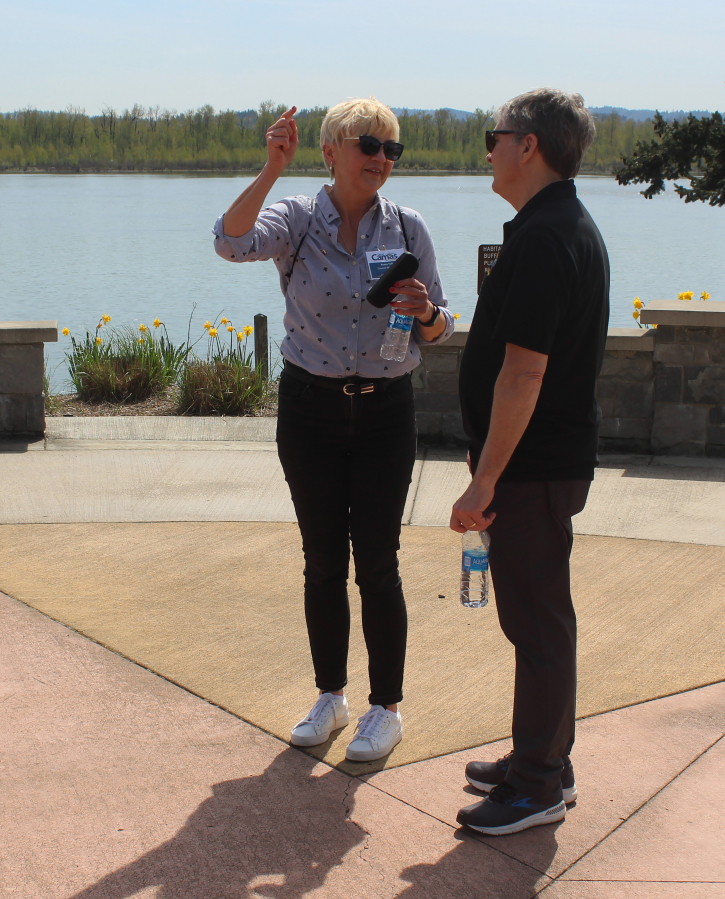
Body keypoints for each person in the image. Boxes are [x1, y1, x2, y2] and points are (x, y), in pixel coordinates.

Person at [213, 98, 453, 761]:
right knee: (322, 562)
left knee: (377, 562)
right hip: (310, 409)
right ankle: (331, 696)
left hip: (384, 411)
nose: (381, 158)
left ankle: (387, 707)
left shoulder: (408, 226)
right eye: (368, 144)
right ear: (331, 151)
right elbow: (229, 241)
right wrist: (268, 168)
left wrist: (427, 313)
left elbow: (442, 326)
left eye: (391, 150)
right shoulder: (294, 217)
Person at [450, 88, 609, 835]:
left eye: (497, 135)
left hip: (533, 466)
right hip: (539, 463)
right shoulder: (553, 225)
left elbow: (524, 373)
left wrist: (485, 478)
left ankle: (538, 784)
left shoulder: (548, 236)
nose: (490, 148)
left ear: (531, 145)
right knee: (538, 619)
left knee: (539, 624)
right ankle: (541, 759)